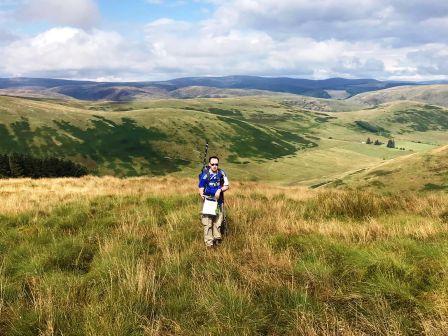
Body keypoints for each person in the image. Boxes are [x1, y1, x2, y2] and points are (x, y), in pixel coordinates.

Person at [198, 156, 229, 248]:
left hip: (218, 203)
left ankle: (217, 239)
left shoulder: (222, 173)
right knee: (207, 223)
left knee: (218, 221)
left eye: (216, 164)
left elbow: (227, 185)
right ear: (209, 164)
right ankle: (209, 244)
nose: (215, 166)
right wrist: (202, 195)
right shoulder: (205, 175)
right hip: (208, 202)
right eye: (212, 164)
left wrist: (219, 190)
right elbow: (201, 187)